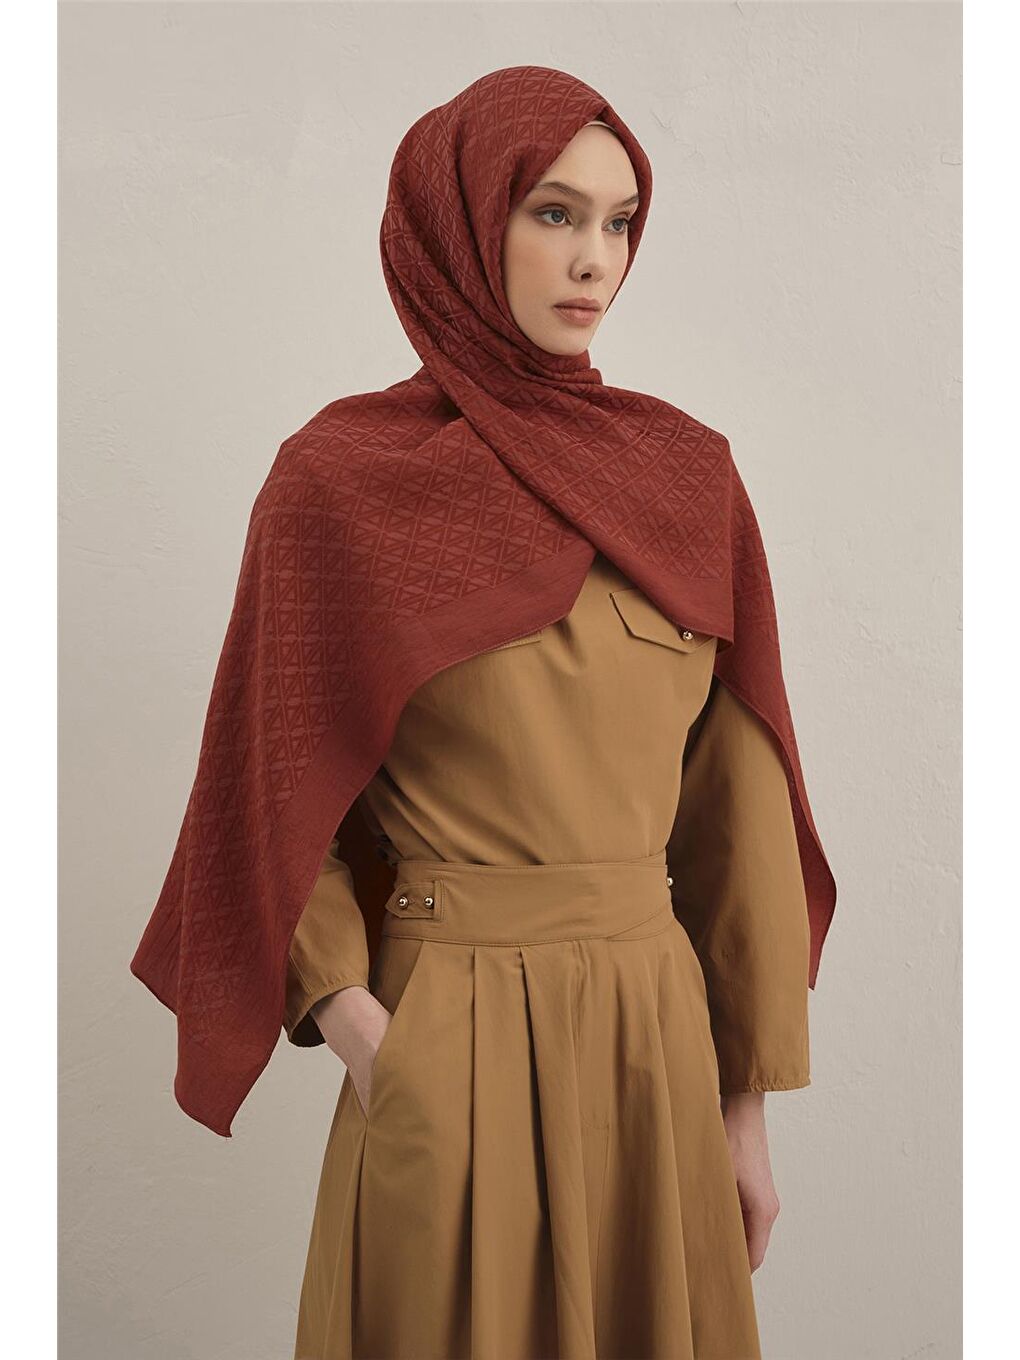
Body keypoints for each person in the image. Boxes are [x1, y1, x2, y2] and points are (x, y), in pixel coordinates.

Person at [130, 66, 837, 1360]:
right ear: (462, 221)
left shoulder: (689, 480)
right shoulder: (337, 486)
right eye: (553, 213)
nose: (595, 258)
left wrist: (745, 1112)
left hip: (654, 1051)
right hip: (441, 1033)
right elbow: (270, 791)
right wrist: (365, 1034)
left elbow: (735, 816)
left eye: (620, 221)